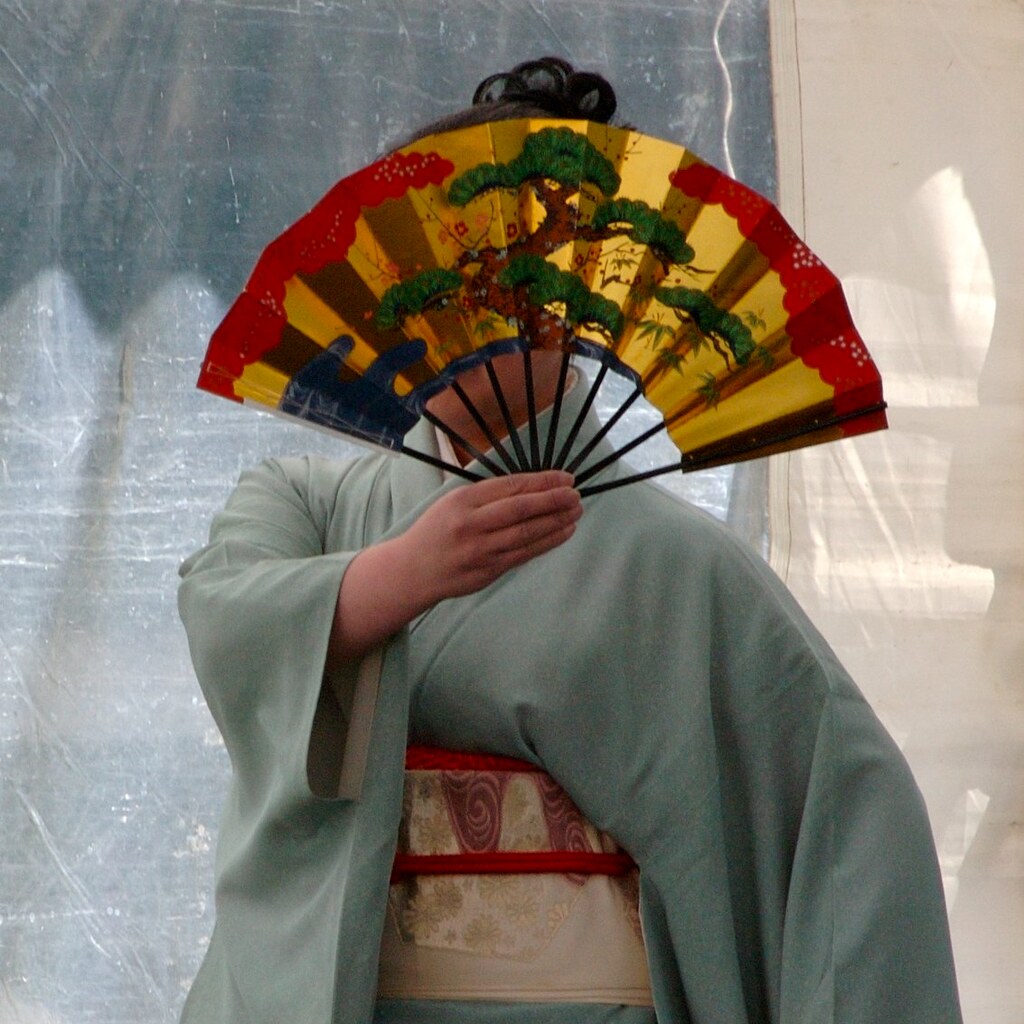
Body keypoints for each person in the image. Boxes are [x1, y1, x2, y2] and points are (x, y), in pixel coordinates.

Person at [177, 59, 963, 1024]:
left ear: (584, 303)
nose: (478, 321)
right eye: (438, 286)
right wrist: (399, 577)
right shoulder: (307, 505)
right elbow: (223, 609)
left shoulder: (682, 566)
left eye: (525, 293)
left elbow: (850, 817)